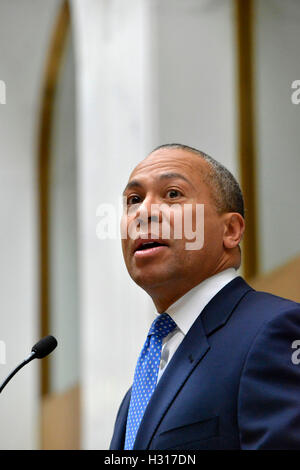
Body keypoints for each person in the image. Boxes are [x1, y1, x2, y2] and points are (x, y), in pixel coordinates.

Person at [110, 143, 300, 450]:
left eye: (172, 194)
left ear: (231, 231)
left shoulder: (276, 331)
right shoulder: (138, 393)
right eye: (134, 200)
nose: (143, 212)